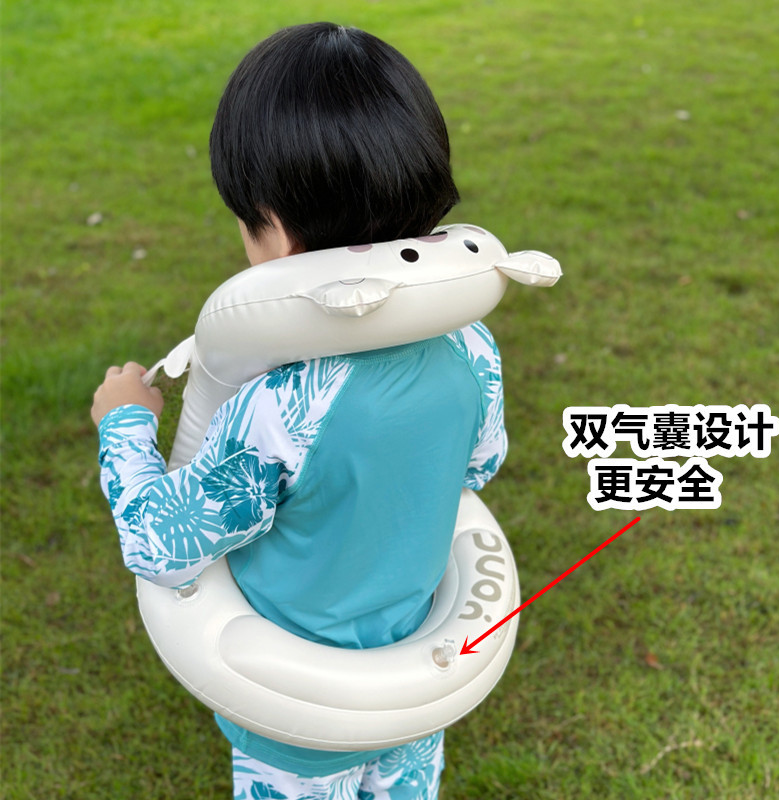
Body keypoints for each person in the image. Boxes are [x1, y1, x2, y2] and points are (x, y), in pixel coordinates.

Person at [92, 22, 507, 800]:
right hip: (416, 680)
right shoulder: (471, 347)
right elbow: (479, 466)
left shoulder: (281, 408)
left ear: (274, 229)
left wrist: (124, 423)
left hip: (295, 710)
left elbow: (160, 544)